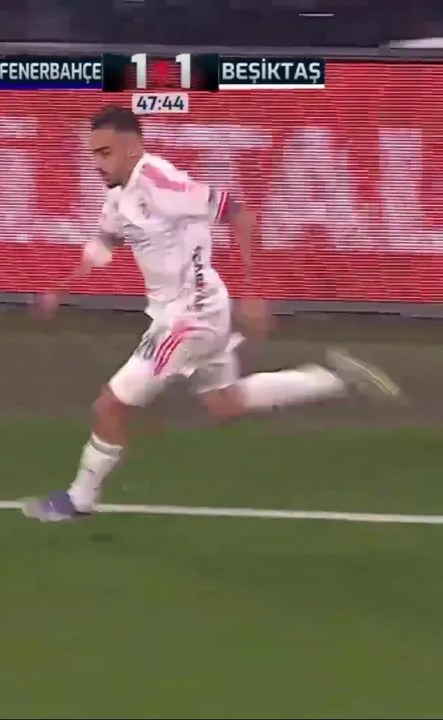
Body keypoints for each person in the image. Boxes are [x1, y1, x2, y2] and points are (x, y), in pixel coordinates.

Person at [22, 105, 402, 523]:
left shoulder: (161, 183)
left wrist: (253, 291)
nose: (97, 163)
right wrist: (59, 289)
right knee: (225, 403)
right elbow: (103, 245)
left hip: (191, 318)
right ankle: (334, 379)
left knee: (110, 405)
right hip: (196, 309)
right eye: (94, 153)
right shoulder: (119, 196)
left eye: (105, 152)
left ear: (132, 149)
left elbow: (238, 213)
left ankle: (79, 500)